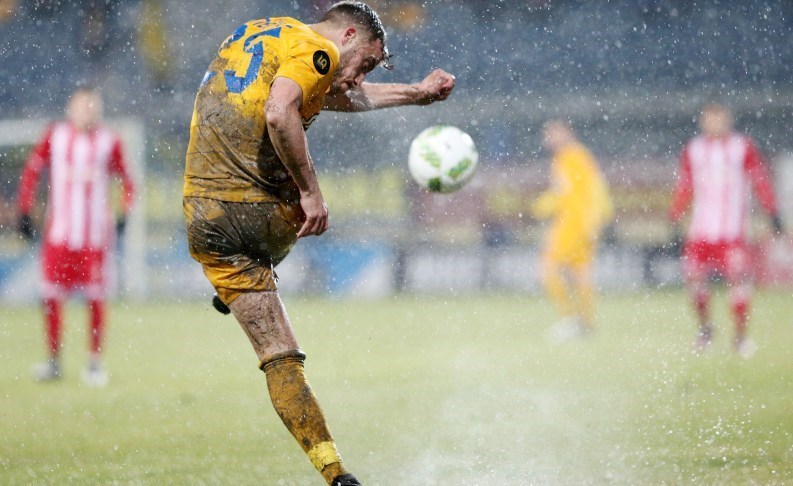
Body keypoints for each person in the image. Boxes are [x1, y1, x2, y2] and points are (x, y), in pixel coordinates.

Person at [182, 2, 454, 485]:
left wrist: (415, 93)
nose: (360, 77)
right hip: (256, 212)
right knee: (307, 207)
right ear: (347, 35)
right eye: (366, 63)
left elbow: (325, 95)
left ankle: (335, 473)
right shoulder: (318, 51)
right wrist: (311, 192)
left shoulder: (265, 32)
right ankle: (335, 474)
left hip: (203, 218)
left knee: (277, 353)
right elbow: (279, 111)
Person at [17, 87, 136, 386]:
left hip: (94, 239)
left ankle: (94, 363)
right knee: (51, 296)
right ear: (71, 109)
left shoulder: (109, 141)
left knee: (95, 298)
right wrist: (25, 210)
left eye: (92, 106)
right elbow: (32, 171)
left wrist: (124, 214)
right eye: (83, 106)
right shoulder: (55, 136)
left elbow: (128, 180)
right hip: (59, 236)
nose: (87, 112)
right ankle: (53, 362)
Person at [669, 103, 783, 358]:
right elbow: (685, 185)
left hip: (733, 233)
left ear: (728, 120)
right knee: (694, 279)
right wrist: (675, 213)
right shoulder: (694, 150)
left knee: (738, 281)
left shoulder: (742, 147)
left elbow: (760, 180)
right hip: (701, 232)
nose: (714, 124)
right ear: (702, 122)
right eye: (709, 119)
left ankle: (740, 337)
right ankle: (705, 329)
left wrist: (772, 211)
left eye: (719, 119)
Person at [531, 120, 613, 342]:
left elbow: (589, 189)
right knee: (580, 274)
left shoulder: (573, 156)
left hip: (575, 224)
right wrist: (543, 205)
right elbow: (568, 192)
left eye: (553, 134)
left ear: (567, 133)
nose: (548, 139)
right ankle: (585, 323)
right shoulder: (568, 157)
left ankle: (570, 319)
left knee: (548, 269)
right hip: (578, 223)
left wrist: (595, 218)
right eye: (547, 135)